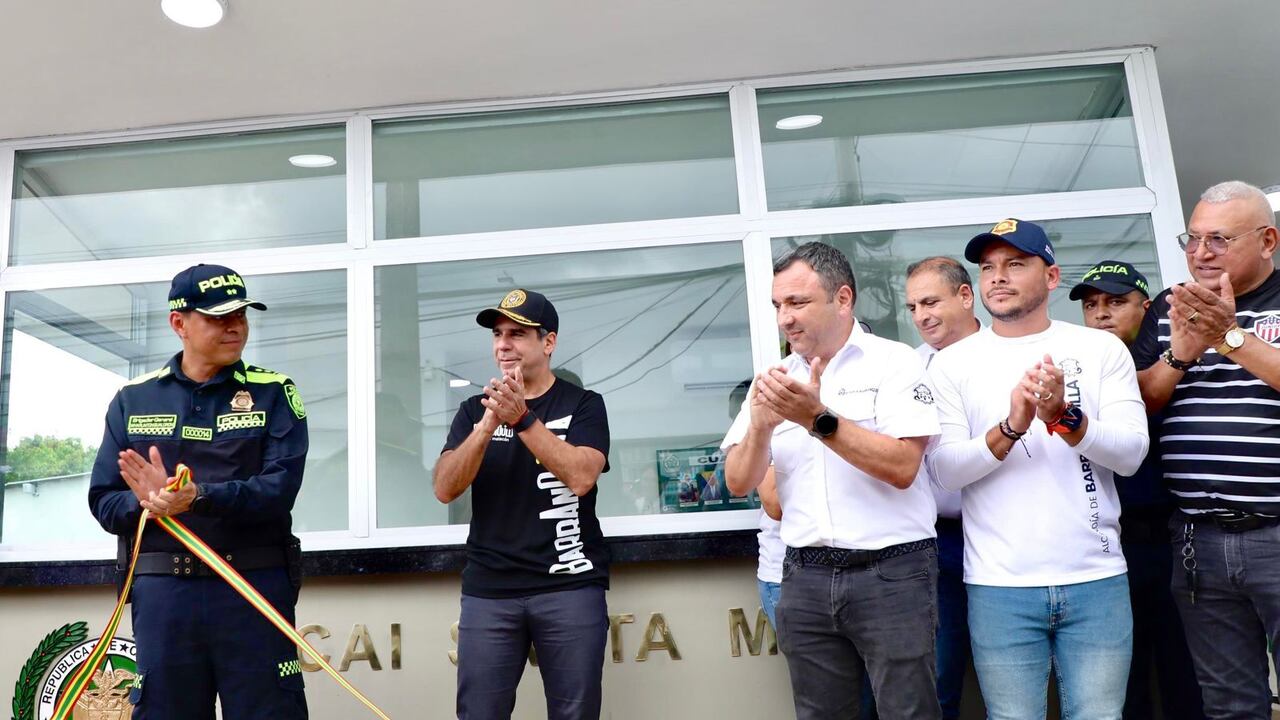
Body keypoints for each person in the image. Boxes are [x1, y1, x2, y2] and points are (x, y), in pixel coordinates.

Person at [928, 219, 1149, 720]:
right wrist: (1011, 426)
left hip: (1096, 577)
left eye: (1015, 264)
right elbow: (943, 470)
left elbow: (1132, 453)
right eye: (988, 268)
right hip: (998, 584)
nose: (997, 277)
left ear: (1051, 277)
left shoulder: (1100, 349)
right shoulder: (951, 364)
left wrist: (1064, 419)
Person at [722, 242, 942, 720]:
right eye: (778, 305)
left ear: (843, 299)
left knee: (909, 711)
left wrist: (817, 418)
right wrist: (761, 424)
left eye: (797, 303)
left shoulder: (896, 362)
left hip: (893, 570)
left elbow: (904, 467)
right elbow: (739, 481)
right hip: (804, 574)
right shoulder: (775, 379)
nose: (785, 318)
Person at [87, 263, 309, 719]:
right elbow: (104, 500)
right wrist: (149, 502)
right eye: (218, 316)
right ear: (179, 323)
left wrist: (198, 497)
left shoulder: (274, 392)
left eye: (242, 315)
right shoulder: (133, 398)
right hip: (166, 593)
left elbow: (279, 488)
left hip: (252, 586)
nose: (235, 326)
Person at [1131, 180, 1280, 719]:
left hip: (1276, 530)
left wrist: (1231, 338)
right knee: (1227, 702)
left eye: (1218, 239)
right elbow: (1143, 399)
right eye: (1191, 239)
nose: (1199, 253)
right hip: (1199, 539)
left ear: (1268, 240)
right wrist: (1181, 353)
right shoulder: (1170, 307)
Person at [434, 288, 611, 720]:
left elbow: (582, 476)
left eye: (517, 333)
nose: (503, 344)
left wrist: (522, 419)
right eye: (497, 334)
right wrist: (488, 424)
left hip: (569, 585)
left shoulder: (584, 405)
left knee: (575, 714)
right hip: (490, 591)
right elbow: (445, 487)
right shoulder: (472, 411)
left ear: (548, 342)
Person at [1071, 260, 1205, 720]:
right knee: (1120, 675)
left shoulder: (1173, 368)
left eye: (1116, 302)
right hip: (1108, 543)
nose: (1102, 314)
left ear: (1147, 309)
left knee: (1183, 667)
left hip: (1174, 538)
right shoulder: (1078, 379)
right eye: (1091, 306)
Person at [904, 256, 981, 720]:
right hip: (936, 541)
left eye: (931, 302)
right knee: (938, 678)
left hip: (1007, 533)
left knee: (1012, 678)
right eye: (913, 306)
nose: (921, 316)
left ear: (966, 296)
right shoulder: (908, 368)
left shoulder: (1004, 355)